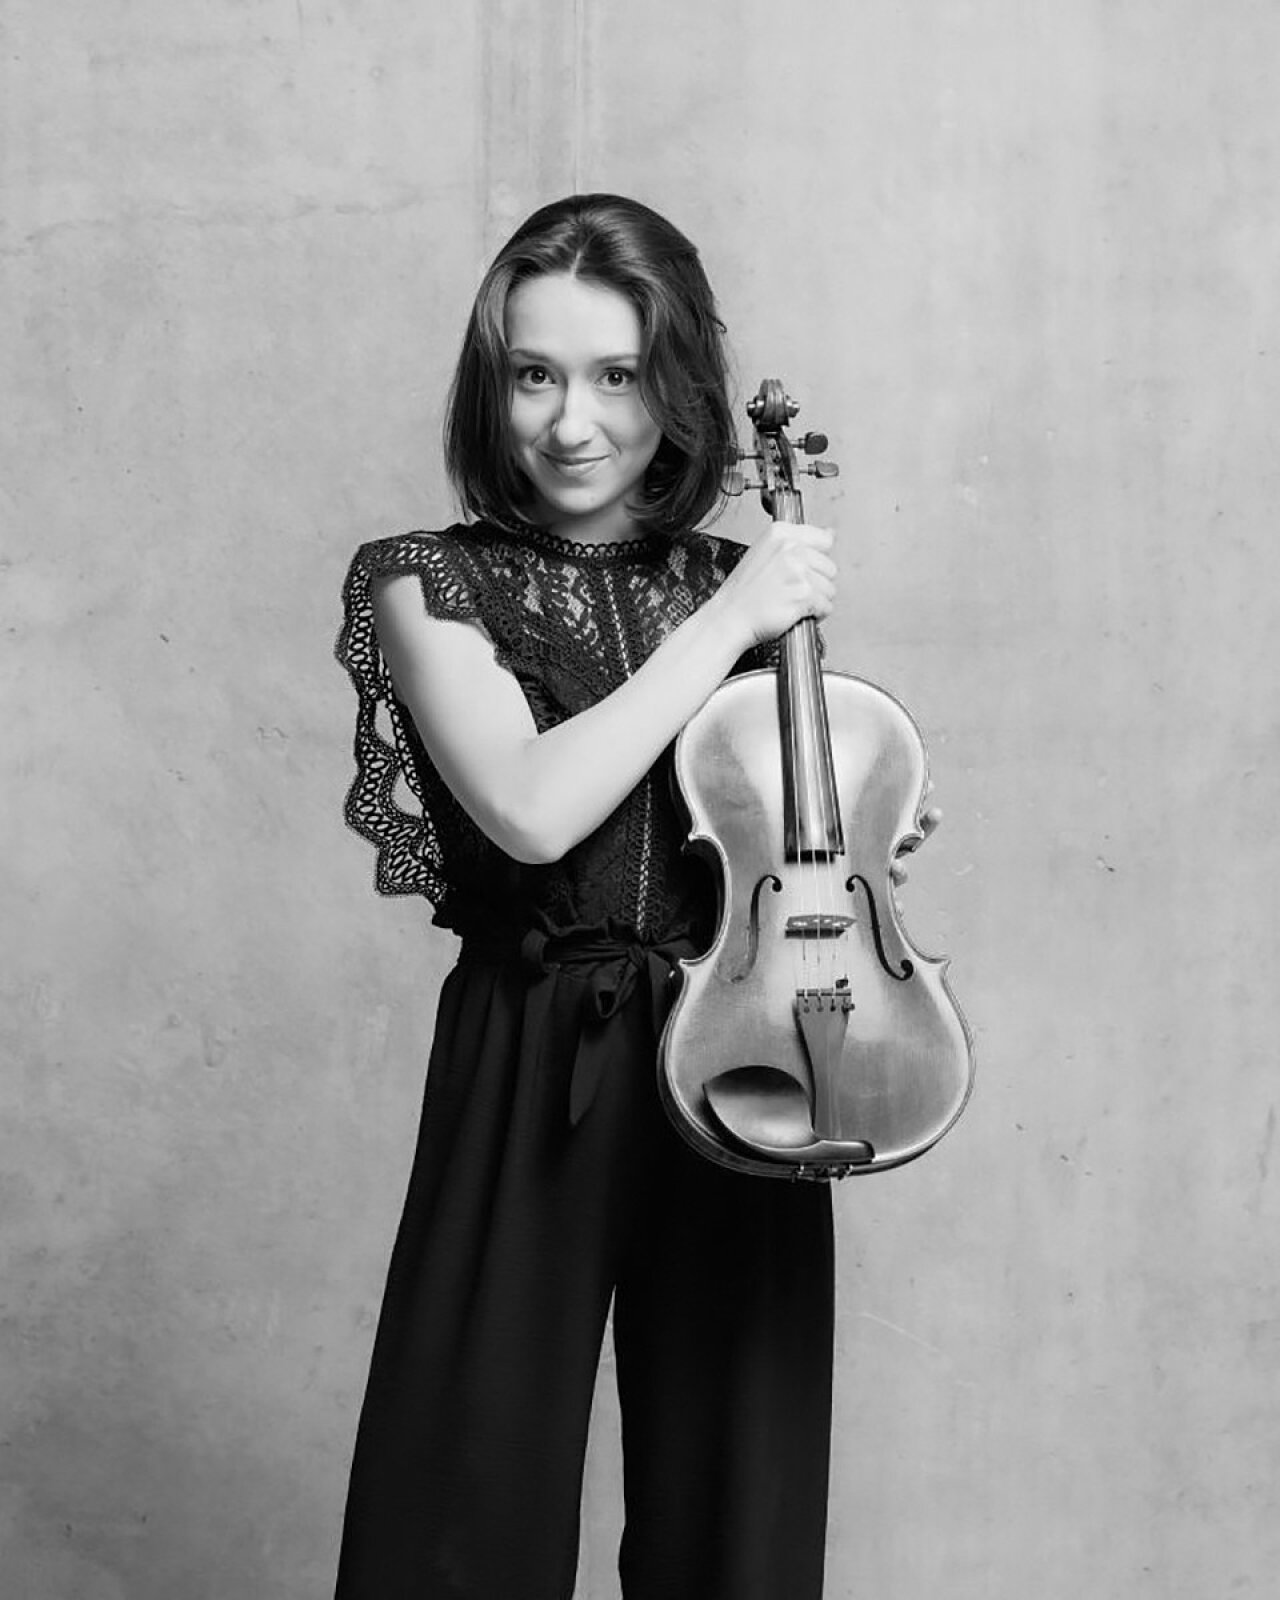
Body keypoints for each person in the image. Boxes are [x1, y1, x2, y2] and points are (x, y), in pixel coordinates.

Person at [333, 193, 844, 1600]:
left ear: (675, 389)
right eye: (535, 374)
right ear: (490, 387)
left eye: (617, 375)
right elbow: (531, 807)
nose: (574, 422)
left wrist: (858, 834)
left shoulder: (744, 585)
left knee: (739, 1492)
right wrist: (735, 625)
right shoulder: (429, 582)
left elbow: (781, 835)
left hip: (736, 1044)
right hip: (532, 1042)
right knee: (467, 1482)